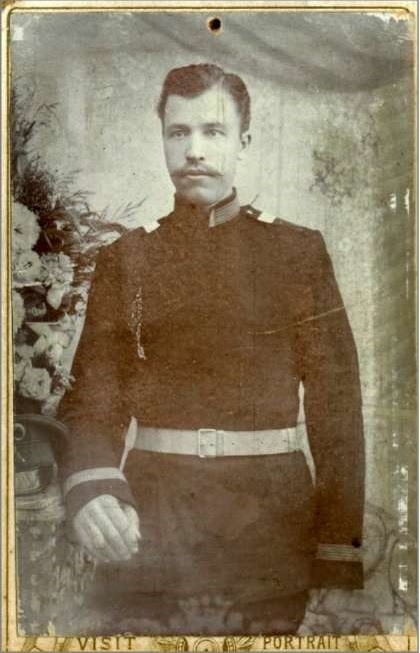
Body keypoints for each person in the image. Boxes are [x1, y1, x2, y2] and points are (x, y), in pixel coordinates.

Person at [56, 63, 365, 635]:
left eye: (213, 131)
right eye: (179, 132)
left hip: (268, 533)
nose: (194, 150)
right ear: (163, 139)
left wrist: (337, 555)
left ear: (243, 140)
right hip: (152, 527)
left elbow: (337, 411)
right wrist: (94, 488)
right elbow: (93, 400)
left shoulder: (297, 253)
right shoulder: (125, 259)